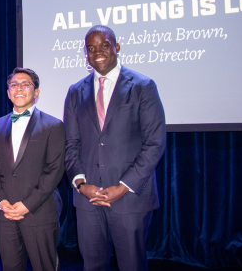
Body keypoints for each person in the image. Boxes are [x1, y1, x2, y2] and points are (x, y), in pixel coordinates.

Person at [64, 25, 167, 271]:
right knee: (93, 266)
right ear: (86, 54)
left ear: (116, 47)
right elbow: (71, 144)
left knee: (132, 266)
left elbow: (154, 142)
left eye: (104, 45)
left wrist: (123, 187)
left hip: (130, 198)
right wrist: (81, 184)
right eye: (91, 48)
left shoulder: (143, 86)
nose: (97, 52)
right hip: (88, 199)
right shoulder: (76, 91)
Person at [0, 68, 65, 271]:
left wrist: (27, 205)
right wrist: (1, 201)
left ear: (36, 92)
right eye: (14, 85)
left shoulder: (53, 125)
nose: (18, 88)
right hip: (5, 213)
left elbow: (54, 171)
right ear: (8, 92)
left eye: (25, 84)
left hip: (39, 211)